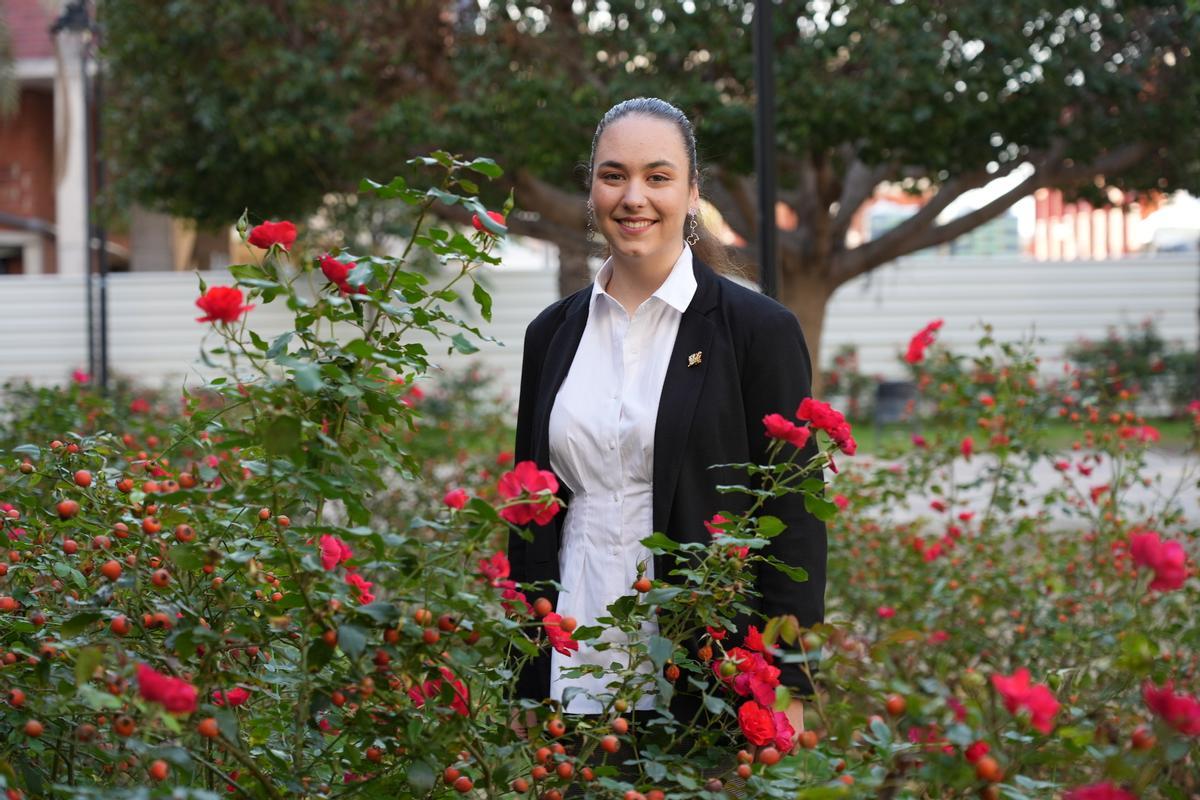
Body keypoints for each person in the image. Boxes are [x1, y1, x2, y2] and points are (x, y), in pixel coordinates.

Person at [507, 97, 826, 748]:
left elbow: (795, 514)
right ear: (591, 188)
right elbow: (529, 508)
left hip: (706, 665)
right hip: (574, 653)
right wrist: (524, 666)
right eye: (613, 175)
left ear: (691, 192)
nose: (634, 197)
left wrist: (788, 679)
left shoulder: (757, 332)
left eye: (658, 177)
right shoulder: (551, 335)